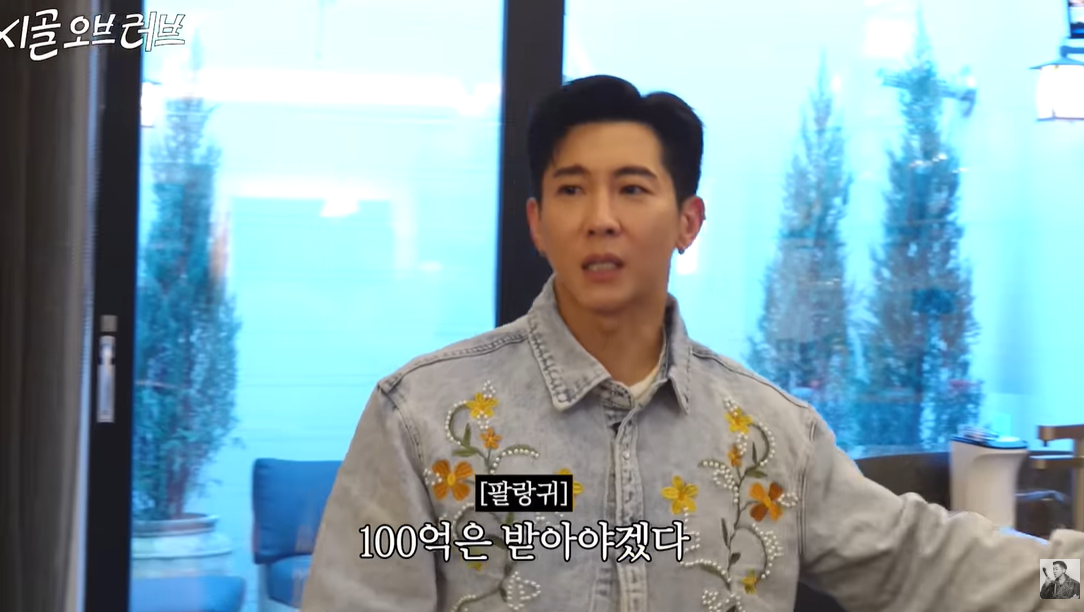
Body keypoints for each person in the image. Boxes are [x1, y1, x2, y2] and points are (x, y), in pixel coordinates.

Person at [302, 75, 1084, 612]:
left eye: (631, 188)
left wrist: (1070, 581)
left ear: (687, 222)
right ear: (538, 223)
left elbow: (927, 563)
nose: (600, 218)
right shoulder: (425, 419)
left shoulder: (770, 437)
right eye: (571, 190)